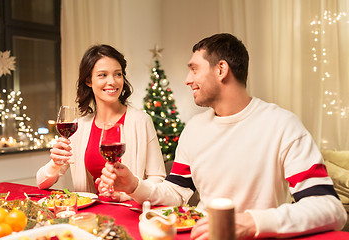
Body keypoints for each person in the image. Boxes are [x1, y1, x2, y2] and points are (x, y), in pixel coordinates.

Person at [98, 33, 347, 238]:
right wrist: (134, 185)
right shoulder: (194, 129)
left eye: (194, 69)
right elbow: (176, 192)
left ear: (221, 70)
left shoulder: (283, 125)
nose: (187, 80)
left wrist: (250, 223)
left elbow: (330, 208)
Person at [37, 44, 166, 202]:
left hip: (131, 215)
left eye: (118, 74)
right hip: (90, 217)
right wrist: (55, 164)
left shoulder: (141, 121)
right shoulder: (79, 127)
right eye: (102, 75)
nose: (112, 81)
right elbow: (41, 183)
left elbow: (158, 179)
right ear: (88, 81)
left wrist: (124, 194)